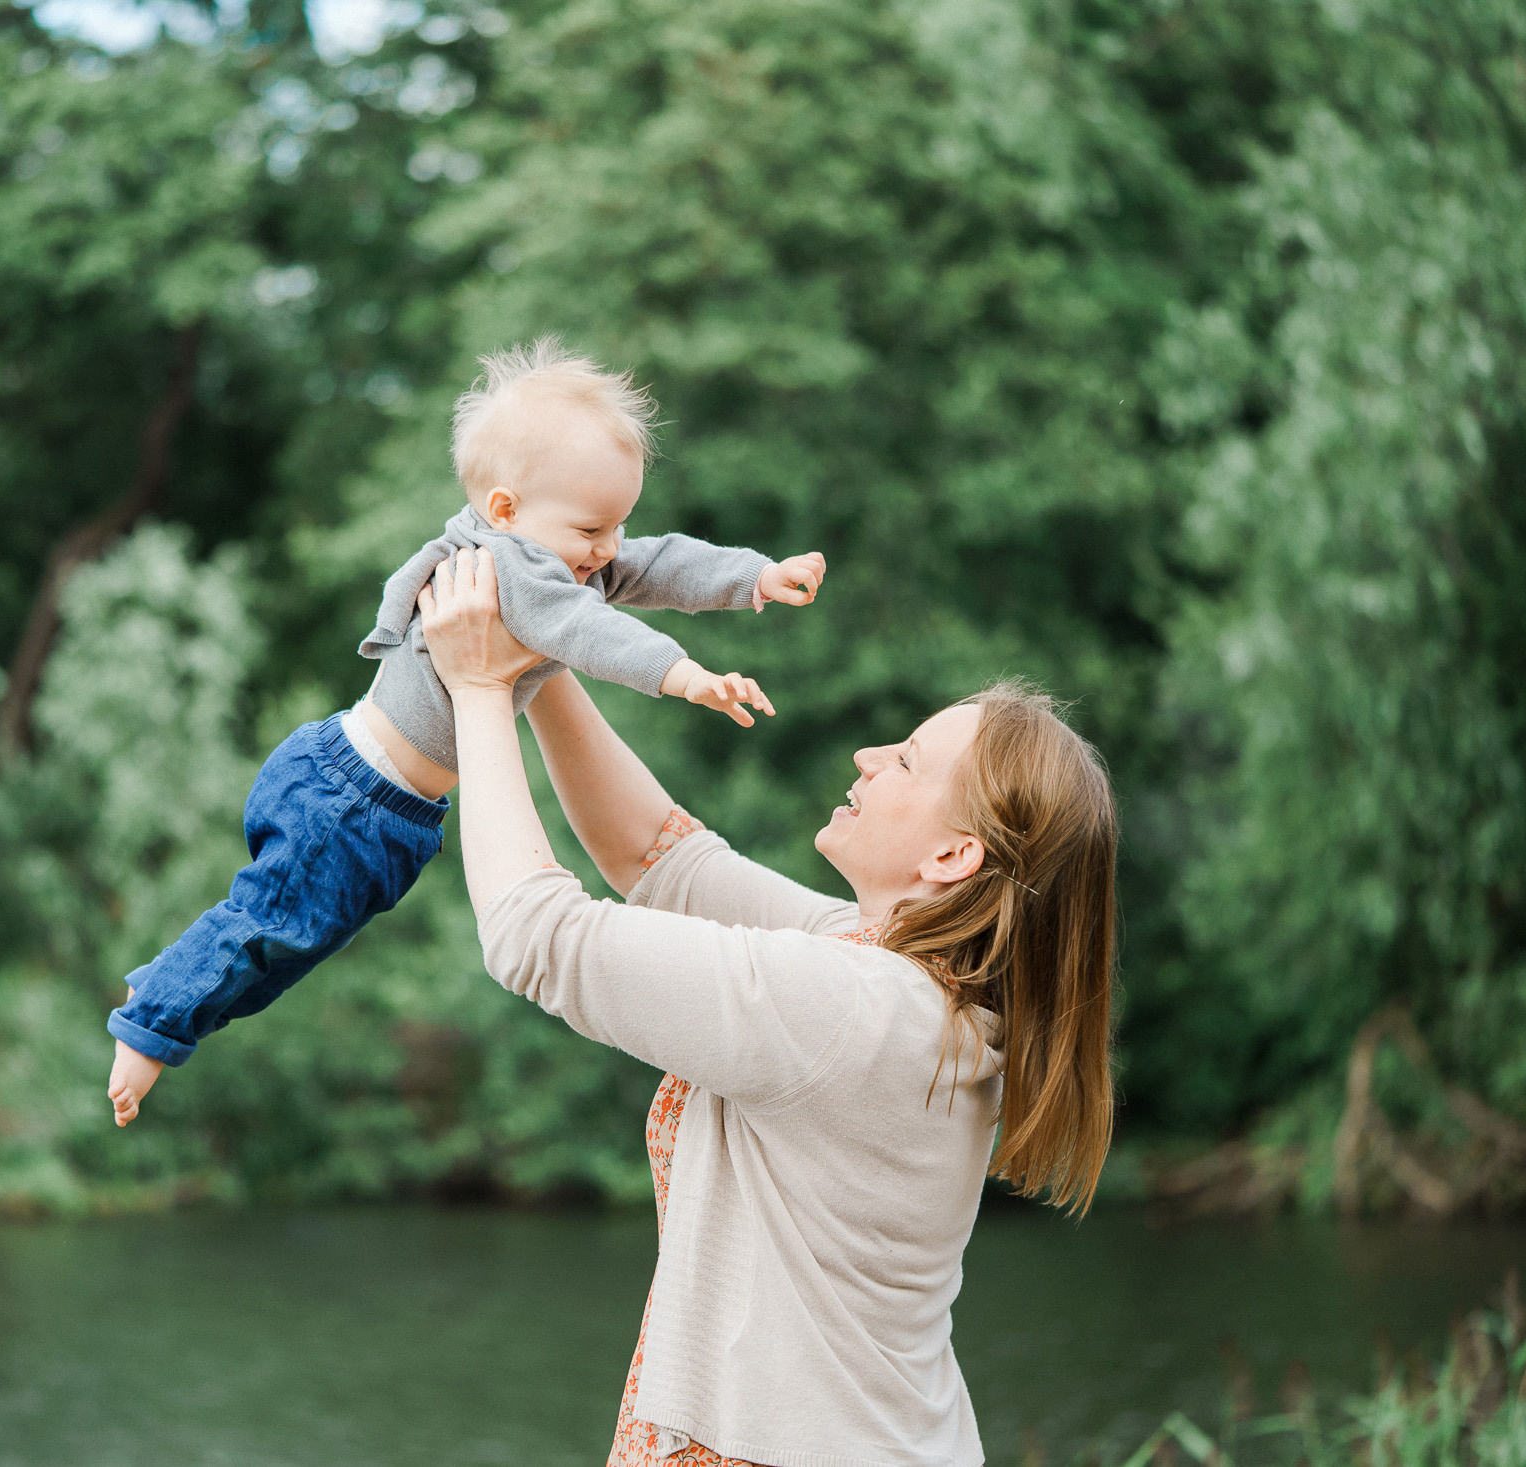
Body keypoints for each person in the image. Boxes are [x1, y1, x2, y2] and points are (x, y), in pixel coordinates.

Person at [420, 546, 1117, 1467]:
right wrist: (539, 649)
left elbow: (534, 934)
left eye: (905, 760)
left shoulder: (860, 1008)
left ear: (953, 859)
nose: (869, 756)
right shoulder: (902, 984)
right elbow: (657, 857)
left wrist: (476, 688)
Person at [105, 338, 828, 1126]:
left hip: (390, 808)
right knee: (274, 926)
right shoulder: (519, 568)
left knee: (294, 940)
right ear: (507, 509)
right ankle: (149, 1025)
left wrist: (754, 576)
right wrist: (687, 676)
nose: (610, 549)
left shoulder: (568, 554)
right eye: (594, 528)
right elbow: (594, 635)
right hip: (351, 797)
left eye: (619, 523)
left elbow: (660, 564)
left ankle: (168, 992)